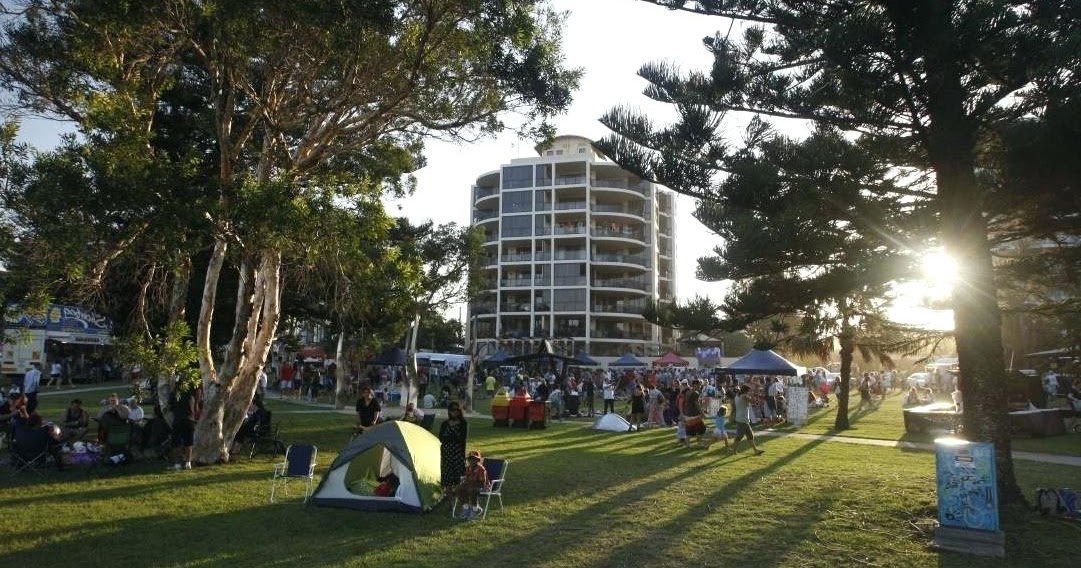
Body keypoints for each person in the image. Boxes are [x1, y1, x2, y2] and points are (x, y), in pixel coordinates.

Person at [170, 383, 201, 470]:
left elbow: (170, 405)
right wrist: (196, 405)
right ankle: (188, 462)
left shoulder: (175, 392)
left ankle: (178, 463)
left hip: (179, 419)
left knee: (176, 443)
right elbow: (198, 392)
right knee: (188, 442)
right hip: (189, 419)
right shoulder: (191, 391)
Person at [439, 401, 468, 491]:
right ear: (449, 411)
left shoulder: (463, 423)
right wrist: (453, 437)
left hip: (457, 453)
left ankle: (458, 493)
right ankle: (448, 494)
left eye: (457, 410)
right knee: (447, 473)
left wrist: (449, 437)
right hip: (446, 453)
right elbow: (441, 438)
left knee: (458, 474)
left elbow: (461, 438)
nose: (455, 412)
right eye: (453, 410)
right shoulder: (445, 424)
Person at [730, 384, 764, 455]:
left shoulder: (738, 395)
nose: (749, 392)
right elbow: (753, 401)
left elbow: (748, 403)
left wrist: (753, 394)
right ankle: (733, 451)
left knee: (750, 436)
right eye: (749, 391)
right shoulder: (744, 396)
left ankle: (755, 450)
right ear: (746, 391)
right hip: (742, 419)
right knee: (739, 437)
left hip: (743, 419)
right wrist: (754, 394)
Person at [456, 449, 491, 520]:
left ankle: (475, 509)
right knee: (459, 488)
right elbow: (466, 478)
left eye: (474, 459)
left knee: (472, 490)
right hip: (471, 485)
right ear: (468, 460)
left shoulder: (481, 469)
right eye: (470, 459)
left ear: (478, 460)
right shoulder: (468, 468)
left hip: (484, 487)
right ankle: (466, 508)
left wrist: (470, 483)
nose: (472, 461)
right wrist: (464, 482)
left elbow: (482, 483)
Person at [683, 379, 707, 446]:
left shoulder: (688, 392)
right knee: (701, 429)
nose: (700, 386)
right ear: (694, 385)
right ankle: (699, 443)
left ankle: (687, 444)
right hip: (694, 414)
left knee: (689, 430)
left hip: (687, 414)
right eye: (699, 385)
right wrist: (702, 413)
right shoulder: (695, 393)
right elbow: (697, 404)